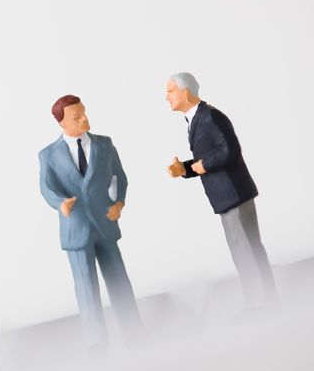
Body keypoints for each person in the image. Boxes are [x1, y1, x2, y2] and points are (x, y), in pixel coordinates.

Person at [165, 73, 278, 317]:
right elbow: (206, 158)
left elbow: (230, 150)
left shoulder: (210, 116)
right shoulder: (196, 119)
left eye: (171, 91)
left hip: (234, 195)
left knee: (246, 250)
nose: (167, 96)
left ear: (185, 91)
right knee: (243, 250)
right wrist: (184, 169)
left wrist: (204, 164)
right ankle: (262, 300)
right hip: (226, 198)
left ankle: (260, 303)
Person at [39, 95, 144, 353]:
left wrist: (119, 203)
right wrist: (60, 203)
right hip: (76, 229)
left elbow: (120, 177)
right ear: (62, 123)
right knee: (86, 286)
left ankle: (133, 330)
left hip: (105, 223)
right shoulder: (48, 155)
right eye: (77, 117)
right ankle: (96, 340)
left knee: (119, 280)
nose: (84, 119)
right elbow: (46, 187)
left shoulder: (104, 144)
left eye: (84, 112)